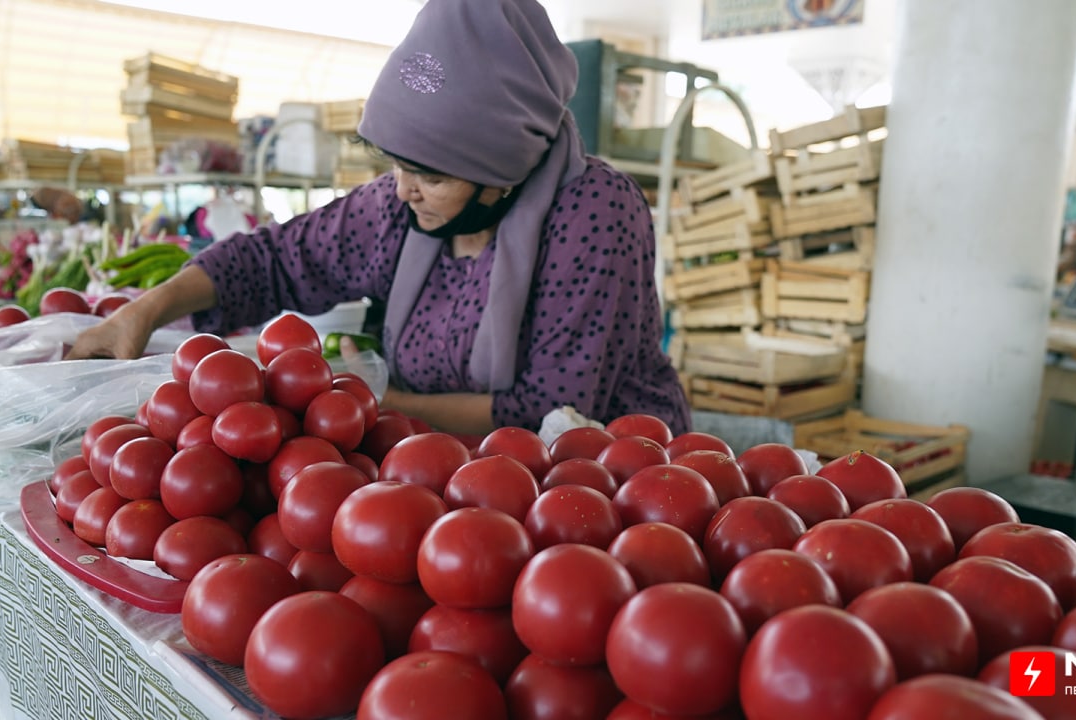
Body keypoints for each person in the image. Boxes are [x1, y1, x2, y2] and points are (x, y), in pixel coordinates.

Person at [68, 0, 691, 437]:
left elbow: (552, 410)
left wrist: (374, 401)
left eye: (432, 176)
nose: (403, 190)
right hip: (458, 477)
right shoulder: (401, 208)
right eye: (396, 165)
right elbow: (277, 258)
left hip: (611, 491)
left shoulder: (594, 214)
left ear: (506, 172)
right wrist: (143, 310)